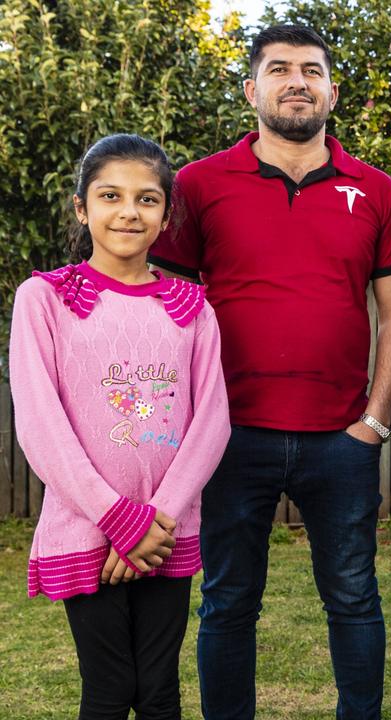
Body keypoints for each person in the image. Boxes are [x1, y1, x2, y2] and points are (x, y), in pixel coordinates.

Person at [146, 25, 391, 720]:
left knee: (354, 597)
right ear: (252, 89)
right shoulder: (199, 184)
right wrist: (185, 421)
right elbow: (167, 311)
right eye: (278, 69)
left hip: (341, 439)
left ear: (332, 89)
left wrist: (376, 420)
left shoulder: (377, 190)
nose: (295, 80)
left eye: (310, 70)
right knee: (230, 600)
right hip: (228, 436)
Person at [9, 133, 230, 719]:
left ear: (166, 215)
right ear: (83, 208)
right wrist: (118, 519)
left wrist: (155, 521)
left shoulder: (191, 306)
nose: (128, 212)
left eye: (147, 199)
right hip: (87, 530)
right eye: (110, 196)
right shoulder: (46, 299)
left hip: (167, 533)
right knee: (109, 691)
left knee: (159, 692)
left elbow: (211, 422)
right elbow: (40, 422)